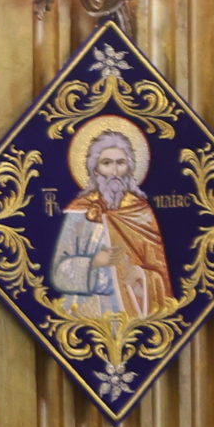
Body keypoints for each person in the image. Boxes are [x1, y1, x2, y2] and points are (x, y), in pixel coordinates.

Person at [48, 115, 173, 317]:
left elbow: (159, 272)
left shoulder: (140, 211)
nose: (114, 171)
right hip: (88, 314)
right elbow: (58, 273)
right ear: (95, 169)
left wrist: (140, 275)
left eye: (120, 163)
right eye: (106, 163)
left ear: (129, 168)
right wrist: (94, 262)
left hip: (131, 313)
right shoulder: (80, 211)